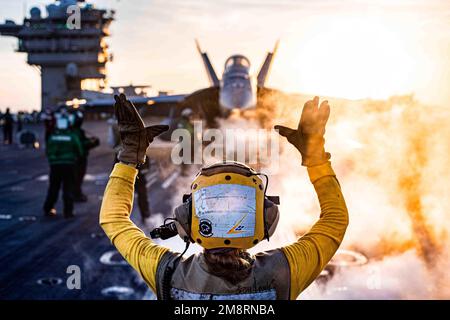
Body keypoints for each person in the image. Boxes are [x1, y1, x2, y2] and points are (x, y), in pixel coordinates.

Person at [100, 94, 348, 300]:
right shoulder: (286, 270)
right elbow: (335, 220)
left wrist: (129, 157)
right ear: (265, 218)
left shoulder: (167, 273)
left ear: (187, 220)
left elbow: (114, 220)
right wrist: (315, 158)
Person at [107, 113, 152, 223]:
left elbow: (111, 143)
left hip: (122, 159)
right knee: (141, 192)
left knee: (120, 193)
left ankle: (118, 219)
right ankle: (145, 216)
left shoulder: (116, 125)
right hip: (137, 161)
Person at [43, 111, 83, 218]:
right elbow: (80, 151)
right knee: (68, 188)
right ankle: (68, 212)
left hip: (55, 166)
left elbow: (48, 151)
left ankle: (48, 208)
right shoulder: (72, 136)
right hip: (69, 165)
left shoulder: (53, 137)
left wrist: (53, 160)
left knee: (53, 188)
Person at [72, 111, 100, 202]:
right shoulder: (75, 132)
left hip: (78, 158)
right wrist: (92, 142)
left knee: (77, 177)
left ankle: (76, 193)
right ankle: (75, 194)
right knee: (77, 177)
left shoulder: (78, 131)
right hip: (78, 158)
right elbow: (80, 144)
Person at [177, 108, 195, 176]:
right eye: (190, 115)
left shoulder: (187, 123)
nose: (191, 117)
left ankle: (187, 171)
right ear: (186, 115)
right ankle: (183, 172)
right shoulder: (183, 123)